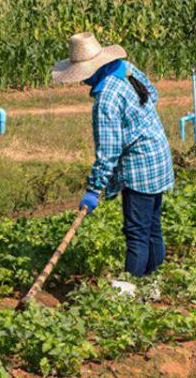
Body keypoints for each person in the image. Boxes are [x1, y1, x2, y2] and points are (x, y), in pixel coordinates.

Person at [52, 32, 175, 290]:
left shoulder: (106, 98)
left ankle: (130, 294)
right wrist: (137, 125)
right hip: (158, 155)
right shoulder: (126, 69)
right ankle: (153, 286)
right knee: (152, 227)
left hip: (140, 167)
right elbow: (152, 95)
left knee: (136, 232)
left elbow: (109, 150)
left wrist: (94, 189)